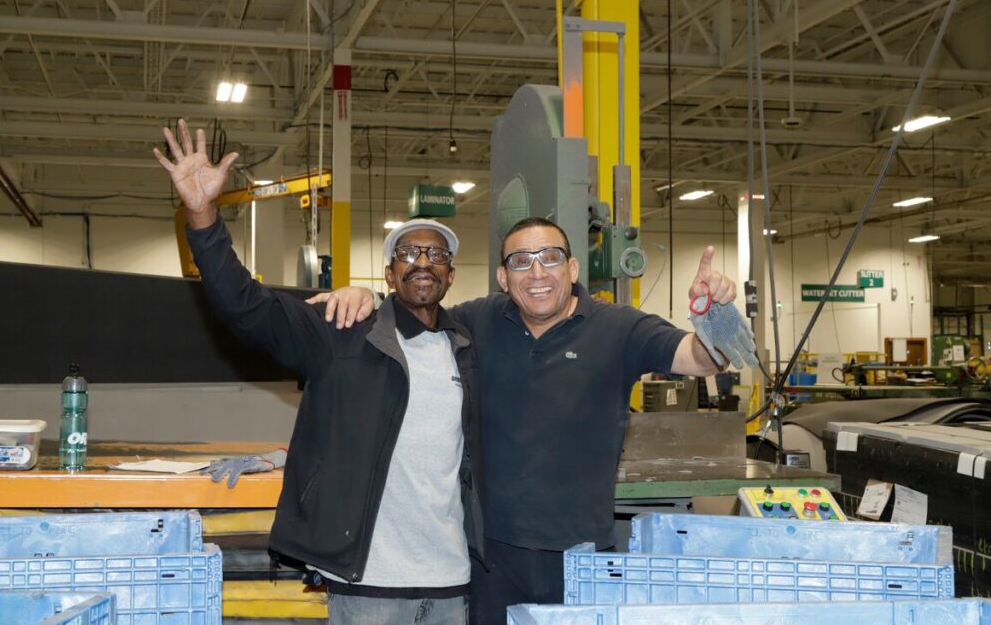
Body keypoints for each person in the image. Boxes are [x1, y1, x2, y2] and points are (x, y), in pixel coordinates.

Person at [313, 216, 739, 623]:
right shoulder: (476, 320)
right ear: (503, 277)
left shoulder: (619, 327)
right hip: (490, 559)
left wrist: (713, 317)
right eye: (521, 260)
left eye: (549, 257)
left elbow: (701, 359)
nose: (536, 272)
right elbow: (412, 311)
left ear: (571, 268)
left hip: (580, 555)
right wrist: (361, 297)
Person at [153, 119, 483, 625]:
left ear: (450, 274)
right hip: (366, 581)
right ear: (390, 273)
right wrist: (202, 215)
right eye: (408, 253)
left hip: (451, 582)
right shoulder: (342, 331)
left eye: (436, 254)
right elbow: (245, 307)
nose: (423, 261)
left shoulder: (466, 347)